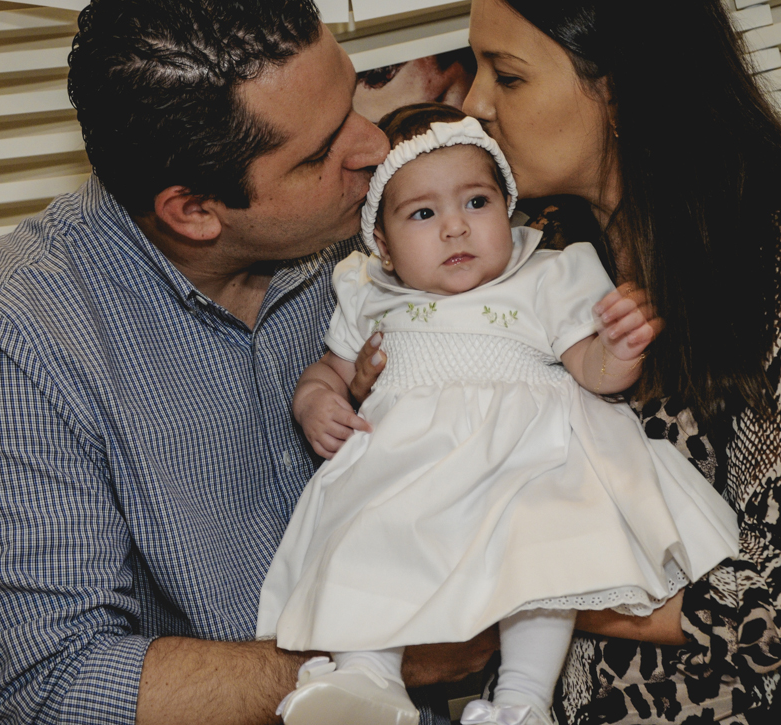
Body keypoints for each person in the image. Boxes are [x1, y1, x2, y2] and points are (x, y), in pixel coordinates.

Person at [0, 0, 493, 725]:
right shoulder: (12, 344)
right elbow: (45, 689)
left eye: (353, 98)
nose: (374, 148)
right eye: (320, 152)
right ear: (194, 211)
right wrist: (372, 656)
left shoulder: (389, 218)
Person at [450, 0, 781, 722]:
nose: (474, 103)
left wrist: (526, 589)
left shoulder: (776, 256)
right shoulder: (525, 262)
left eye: (506, 75)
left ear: (616, 85)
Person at [257, 105, 739, 725]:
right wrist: (317, 399)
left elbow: (592, 373)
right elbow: (330, 369)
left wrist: (619, 349)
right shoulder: (369, 293)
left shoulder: (547, 276)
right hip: (404, 470)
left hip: (523, 467)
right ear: (382, 243)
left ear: (509, 212)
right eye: (423, 214)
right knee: (363, 545)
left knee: (542, 567)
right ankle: (369, 682)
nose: (455, 228)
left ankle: (520, 701)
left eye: (477, 203)